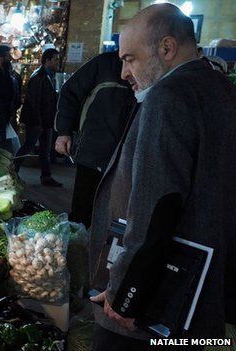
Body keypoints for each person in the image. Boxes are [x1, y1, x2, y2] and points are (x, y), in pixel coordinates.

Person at [89, 3, 236, 350]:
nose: (124, 72)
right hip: (201, 297)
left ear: (167, 48)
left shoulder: (167, 97)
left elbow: (155, 205)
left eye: (130, 59)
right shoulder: (220, 88)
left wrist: (125, 295)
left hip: (156, 303)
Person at [54, 51, 136, 228]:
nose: (125, 73)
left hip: (128, 159)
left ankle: (103, 252)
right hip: (94, 151)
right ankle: (77, 248)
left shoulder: (151, 68)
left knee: (116, 216)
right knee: (83, 213)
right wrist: (64, 132)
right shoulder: (104, 63)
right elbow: (70, 92)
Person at [15, 48, 62, 187]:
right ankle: (13, 170)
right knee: (28, 146)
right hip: (37, 120)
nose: (57, 62)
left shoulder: (48, 76)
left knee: (44, 150)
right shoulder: (39, 77)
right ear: (47, 60)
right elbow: (34, 102)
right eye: (55, 59)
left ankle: (46, 176)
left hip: (45, 120)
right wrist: (38, 122)